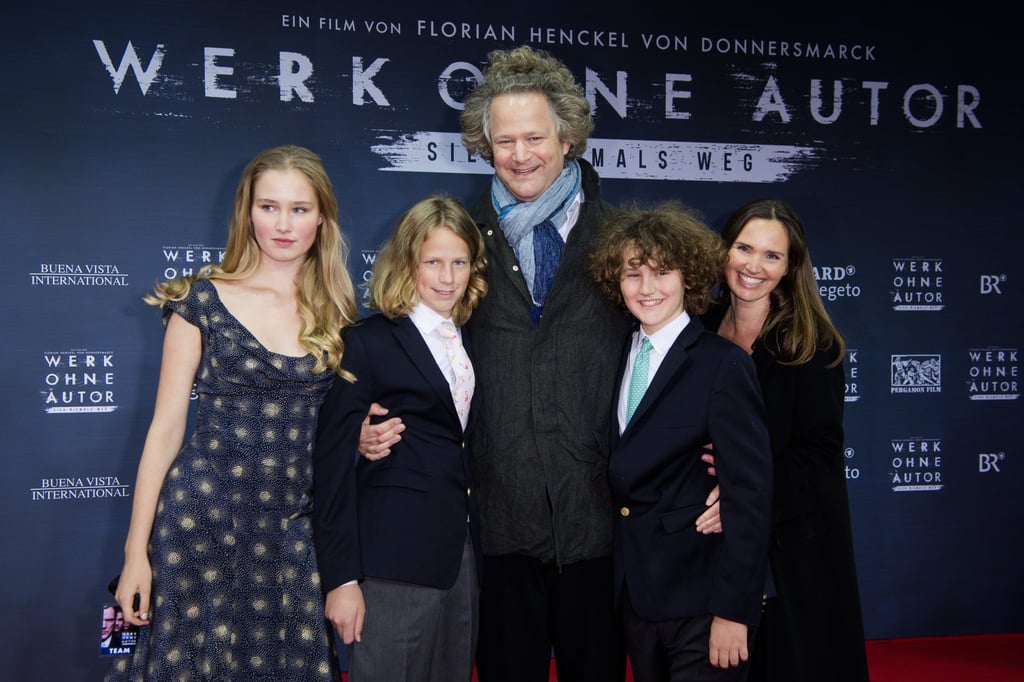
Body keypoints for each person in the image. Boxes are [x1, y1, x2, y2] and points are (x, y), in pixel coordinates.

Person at [359, 45, 631, 682]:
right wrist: (361, 426)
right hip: (494, 521)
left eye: (535, 136)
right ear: (484, 146)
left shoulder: (623, 239)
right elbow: (402, 350)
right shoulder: (458, 242)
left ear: (568, 138)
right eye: (504, 140)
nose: (520, 154)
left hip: (596, 518)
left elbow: (669, 359)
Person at [106, 144, 357, 680]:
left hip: (293, 532)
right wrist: (135, 554)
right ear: (247, 211)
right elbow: (166, 429)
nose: (283, 225)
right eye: (269, 207)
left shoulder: (338, 309)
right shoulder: (202, 300)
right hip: (202, 524)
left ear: (322, 217)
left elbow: (339, 429)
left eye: (299, 208)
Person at [588, 201, 772, 682]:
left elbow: (749, 497)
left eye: (662, 272)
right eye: (633, 274)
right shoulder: (613, 355)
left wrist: (736, 612)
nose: (647, 288)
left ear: (689, 276)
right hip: (636, 597)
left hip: (704, 598)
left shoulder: (723, 365)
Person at [312, 195, 488, 681]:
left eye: (459, 262)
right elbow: (329, 468)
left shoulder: (471, 338)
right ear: (406, 263)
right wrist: (342, 578)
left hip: (462, 559)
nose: (447, 277)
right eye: (432, 262)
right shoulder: (367, 342)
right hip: (391, 564)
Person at [700, 198, 870, 682]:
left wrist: (743, 493)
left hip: (793, 543)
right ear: (724, 251)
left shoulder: (812, 344)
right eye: (744, 248)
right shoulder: (699, 327)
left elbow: (819, 454)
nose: (754, 266)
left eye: (772, 256)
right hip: (714, 534)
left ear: (791, 266)